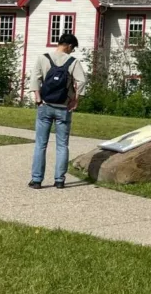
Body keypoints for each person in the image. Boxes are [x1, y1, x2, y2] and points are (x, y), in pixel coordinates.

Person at [27, 33, 87, 189]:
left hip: (45, 106)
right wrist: (75, 99)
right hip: (63, 108)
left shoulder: (43, 58)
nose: (72, 52)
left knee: (40, 144)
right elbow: (82, 81)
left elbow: (35, 79)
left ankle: (37, 180)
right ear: (69, 46)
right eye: (72, 49)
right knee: (62, 145)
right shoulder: (73, 62)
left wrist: (38, 99)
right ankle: (59, 180)